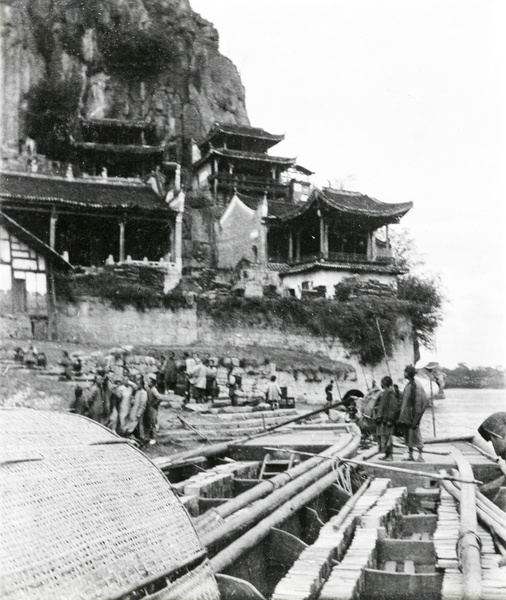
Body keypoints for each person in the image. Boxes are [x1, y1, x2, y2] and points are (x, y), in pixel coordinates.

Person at [398, 365, 429, 462]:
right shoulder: (409, 385)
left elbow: (420, 402)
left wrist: (416, 418)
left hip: (413, 416)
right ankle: (410, 455)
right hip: (406, 416)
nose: (404, 373)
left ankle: (420, 456)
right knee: (407, 435)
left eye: (405, 372)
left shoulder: (416, 385)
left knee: (416, 435)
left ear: (409, 373)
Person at [374, 376, 400, 461]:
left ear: (384, 383)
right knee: (384, 437)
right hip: (383, 419)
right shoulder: (385, 392)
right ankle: (386, 454)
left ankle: (390, 455)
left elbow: (393, 407)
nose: (380, 384)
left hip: (387, 420)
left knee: (388, 437)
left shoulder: (390, 393)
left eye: (381, 382)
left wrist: (390, 419)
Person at [124, 374, 148, 441]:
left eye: (139, 380)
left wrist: (139, 413)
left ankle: (140, 438)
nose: (138, 383)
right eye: (136, 380)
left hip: (138, 412)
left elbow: (143, 404)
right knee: (132, 424)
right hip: (133, 411)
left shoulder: (143, 393)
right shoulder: (137, 391)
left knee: (138, 425)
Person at [144, 373, 166, 445]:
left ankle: (153, 438)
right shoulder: (148, 388)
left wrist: (154, 404)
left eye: (149, 381)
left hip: (152, 408)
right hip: (148, 407)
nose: (148, 382)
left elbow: (160, 398)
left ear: (153, 382)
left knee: (153, 423)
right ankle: (148, 437)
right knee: (148, 422)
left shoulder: (153, 390)